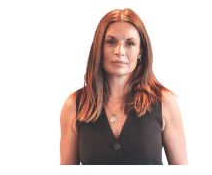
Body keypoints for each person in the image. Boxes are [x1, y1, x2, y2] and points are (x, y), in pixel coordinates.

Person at [59, 8, 188, 165]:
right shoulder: (74, 105)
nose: (119, 51)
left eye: (130, 43)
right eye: (111, 42)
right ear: (98, 47)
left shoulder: (163, 102)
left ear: (141, 51)